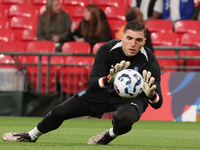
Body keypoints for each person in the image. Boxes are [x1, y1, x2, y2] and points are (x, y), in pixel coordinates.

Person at [2, 21, 163, 145]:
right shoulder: (107, 50)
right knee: (59, 111)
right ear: (122, 36)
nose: (133, 44)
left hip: (132, 99)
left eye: (138, 40)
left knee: (124, 119)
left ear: (144, 41)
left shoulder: (150, 60)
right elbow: (92, 83)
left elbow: (158, 103)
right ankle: (30, 136)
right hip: (103, 91)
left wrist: (151, 95)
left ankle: (109, 135)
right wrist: (109, 79)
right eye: (129, 38)